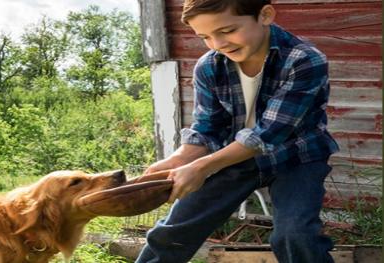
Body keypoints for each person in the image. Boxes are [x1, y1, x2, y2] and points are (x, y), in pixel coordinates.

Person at [135, 1, 339, 262]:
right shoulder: (209, 67)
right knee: (173, 230)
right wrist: (178, 160)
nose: (218, 44)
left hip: (296, 158)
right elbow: (207, 130)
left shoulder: (305, 60)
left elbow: (267, 134)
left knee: (295, 234)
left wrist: (202, 167)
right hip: (233, 159)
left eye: (227, 31)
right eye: (205, 37)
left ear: (265, 15)